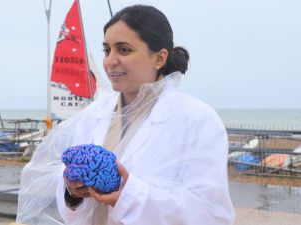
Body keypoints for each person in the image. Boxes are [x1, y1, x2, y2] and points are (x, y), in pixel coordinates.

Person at [16, 4, 235, 225]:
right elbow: (73, 206)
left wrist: (130, 195)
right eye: (107, 50)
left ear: (159, 58)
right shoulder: (94, 115)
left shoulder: (197, 120)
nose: (111, 60)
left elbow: (211, 213)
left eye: (124, 50)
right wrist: (72, 192)